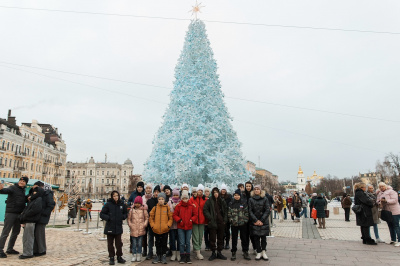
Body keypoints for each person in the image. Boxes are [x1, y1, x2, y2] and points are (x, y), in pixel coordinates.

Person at [0, 177, 28, 258]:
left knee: (16, 232)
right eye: (20, 180)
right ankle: (0, 250)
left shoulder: (23, 190)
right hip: (11, 213)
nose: (21, 182)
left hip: (19, 214)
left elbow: (22, 200)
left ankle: (10, 248)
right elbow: (4, 191)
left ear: (26, 183)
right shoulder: (13, 188)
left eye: (23, 181)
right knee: (6, 232)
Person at [100, 190, 128, 265]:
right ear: (112, 197)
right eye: (114, 196)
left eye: (117, 196)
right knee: (110, 243)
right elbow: (102, 214)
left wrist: (123, 217)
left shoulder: (122, 204)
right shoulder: (108, 204)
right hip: (110, 226)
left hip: (118, 226)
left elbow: (126, 213)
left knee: (119, 243)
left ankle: (119, 256)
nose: (116, 197)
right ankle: (111, 257)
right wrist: (108, 218)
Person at [203, 187, 227, 261]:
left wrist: (225, 220)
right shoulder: (209, 200)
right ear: (212, 193)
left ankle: (219, 252)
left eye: (217, 192)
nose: (215, 193)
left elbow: (226, 210)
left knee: (220, 238)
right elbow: (205, 209)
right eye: (214, 192)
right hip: (212, 222)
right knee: (212, 238)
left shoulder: (221, 200)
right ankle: (213, 252)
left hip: (221, 222)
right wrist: (210, 218)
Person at [19, 186, 43, 259]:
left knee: (29, 237)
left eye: (35, 191)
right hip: (27, 220)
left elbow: (35, 210)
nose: (34, 193)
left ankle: (28, 253)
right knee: (25, 238)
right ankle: (26, 252)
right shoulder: (32, 199)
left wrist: (25, 215)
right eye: (33, 191)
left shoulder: (38, 199)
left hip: (31, 220)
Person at [33, 181, 55, 257]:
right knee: (35, 233)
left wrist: (44, 213)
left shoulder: (47, 194)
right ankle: (35, 249)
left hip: (42, 216)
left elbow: (51, 204)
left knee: (39, 233)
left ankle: (41, 250)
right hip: (37, 216)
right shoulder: (39, 194)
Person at [149, 192, 173, 264]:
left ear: (164, 200)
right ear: (158, 200)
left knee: (164, 243)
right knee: (157, 243)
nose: (161, 200)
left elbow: (170, 218)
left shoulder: (167, 208)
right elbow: (151, 218)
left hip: (164, 229)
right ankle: (158, 255)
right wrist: (153, 226)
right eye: (159, 199)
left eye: (162, 199)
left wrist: (168, 225)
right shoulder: (155, 208)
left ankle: (163, 255)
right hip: (156, 230)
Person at [173, 190, 196, 264]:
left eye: (186, 198)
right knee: (182, 243)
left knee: (188, 243)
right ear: (181, 199)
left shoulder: (191, 206)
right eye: (183, 198)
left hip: (189, 226)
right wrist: (179, 220)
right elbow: (175, 215)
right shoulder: (178, 206)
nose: (185, 200)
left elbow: (195, 215)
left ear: (188, 198)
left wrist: (191, 220)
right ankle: (182, 257)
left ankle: (188, 257)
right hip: (181, 227)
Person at [248, 185, 270, 261]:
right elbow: (250, 211)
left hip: (263, 222)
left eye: (258, 189)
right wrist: (256, 220)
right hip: (255, 222)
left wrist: (262, 220)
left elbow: (267, 210)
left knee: (263, 237)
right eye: (255, 189)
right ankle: (259, 251)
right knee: (256, 237)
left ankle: (264, 251)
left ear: (260, 190)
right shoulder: (251, 199)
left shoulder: (265, 199)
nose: (256, 190)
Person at [228, 189, 250, 261]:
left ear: (240, 196)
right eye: (235, 195)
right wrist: (231, 220)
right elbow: (229, 214)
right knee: (234, 239)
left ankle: (245, 251)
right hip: (234, 224)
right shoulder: (231, 203)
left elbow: (247, 213)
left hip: (242, 224)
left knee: (244, 238)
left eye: (238, 195)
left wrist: (245, 220)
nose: (236, 196)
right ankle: (233, 252)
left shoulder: (243, 203)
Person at [188, 184, 207, 260]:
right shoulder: (192, 199)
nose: (200, 191)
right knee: (196, 236)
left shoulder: (205, 199)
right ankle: (198, 252)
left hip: (202, 220)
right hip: (195, 221)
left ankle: (197, 249)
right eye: (199, 190)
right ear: (197, 191)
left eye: (201, 190)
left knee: (200, 236)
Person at [127, 196, 149, 262]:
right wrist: (130, 225)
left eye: (139, 203)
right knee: (134, 243)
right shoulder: (132, 210)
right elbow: (129, 219)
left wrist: (144, 224)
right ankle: (134, 254)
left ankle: (139, 254)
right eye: (136, 203)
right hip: (133, 229)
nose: (137, 204)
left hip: (141, 229)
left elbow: (146, 218)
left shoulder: (143, 210)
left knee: (140, 243)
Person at [146, 185, 161, 260]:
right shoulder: (150, 201)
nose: (156, 193)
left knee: (158, 239)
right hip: (151, 223)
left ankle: (159, 252)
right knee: (150, 238)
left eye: (157, 192)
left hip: (159, 223)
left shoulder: (161, 201)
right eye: (155, 192)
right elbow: (147, 211)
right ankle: (150, 252)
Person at [168, 188, 181, 262]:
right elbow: (168, 212)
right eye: (174, 195)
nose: (175, 196)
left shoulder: (180, 202)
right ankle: (173, 253)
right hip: (172, 225)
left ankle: (178, 253)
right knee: (172, 240)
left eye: (177, 195)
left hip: (179, 225)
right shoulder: (169, 202)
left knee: (179, 240)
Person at [243, 181, 256, 254]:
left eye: (249, 186)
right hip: (245, 217)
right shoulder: (243, 194)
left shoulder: (253, 195)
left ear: (251, 187)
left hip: (252, 217)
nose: (248, 187)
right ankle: (245, 249)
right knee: (245, 235)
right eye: (247, 186)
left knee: (253, 234)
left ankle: (255, 248)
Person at [220, 184, 232, 250]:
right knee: (221, 230)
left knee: (227, 230)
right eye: (222, 189)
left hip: (227, 215)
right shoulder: (219, 197)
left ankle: (227, 243)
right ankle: (222, 243)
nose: (223, 191)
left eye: (224, 189)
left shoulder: (229, 197)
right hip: (221, 216)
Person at [203, 187, 211, 251]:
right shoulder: (203, 199)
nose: (206, 193)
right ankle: (207, 245)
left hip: (210, 219)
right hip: (204, 219)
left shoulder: (211, 199)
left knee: (210, 232)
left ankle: (210, 244)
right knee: (206, 233)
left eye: (207, 191)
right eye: (205, 191)